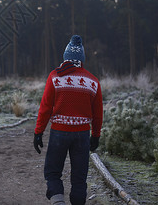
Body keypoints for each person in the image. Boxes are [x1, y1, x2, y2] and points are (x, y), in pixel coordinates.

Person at [33, 35, 103, 205]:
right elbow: (98, 113)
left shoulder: (55, 77)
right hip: (82, 135)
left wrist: (38, 132)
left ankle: (58, 202)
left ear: (65, 57)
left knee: (52, 172)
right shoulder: (93, 81)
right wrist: (95, 135)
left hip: (59, 133)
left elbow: (45, 108)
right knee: (79, 177)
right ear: (82, 59)